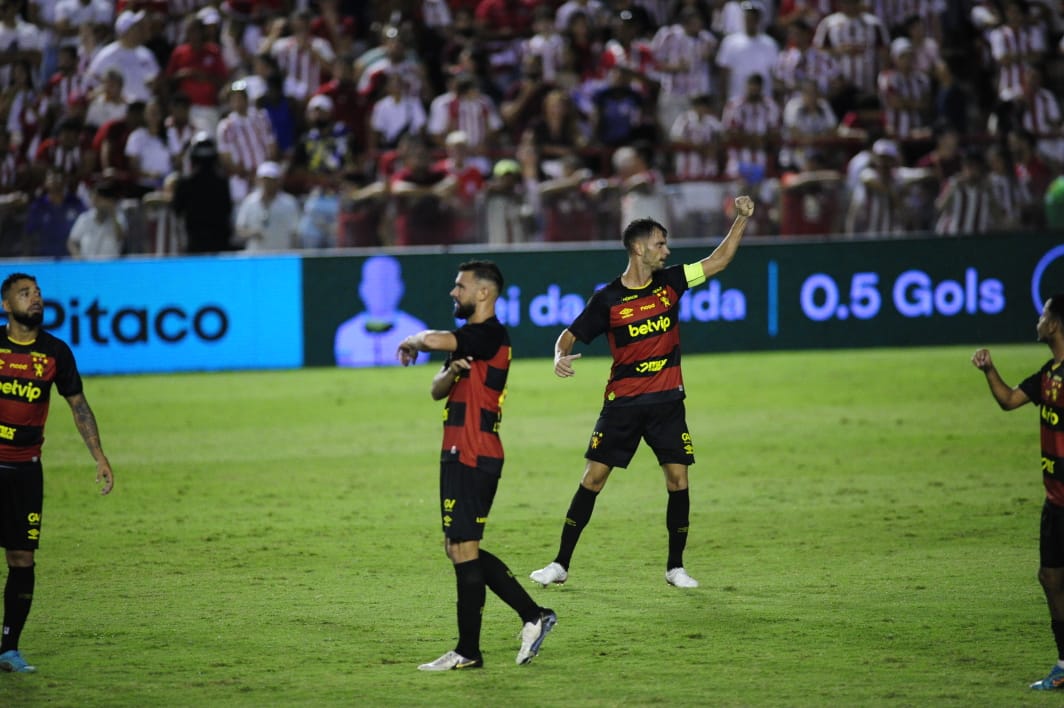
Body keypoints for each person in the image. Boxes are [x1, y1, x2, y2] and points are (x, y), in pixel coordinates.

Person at [530, 196, 755, 590]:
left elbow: (719, 261)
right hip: (623, 405)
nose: (666, 251)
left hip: (667, 403)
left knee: (678, 480)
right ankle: (560, 564)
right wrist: (557, 356)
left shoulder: (672, 283)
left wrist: (740, 219)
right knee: (593, 479)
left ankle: (675, 567)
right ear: (638, 248)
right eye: (660, 244)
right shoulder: (608, 300)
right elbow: (567, 336)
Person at [396, 260, 556, 671]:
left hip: (475, 454)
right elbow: (436, 390)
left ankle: (475, 647)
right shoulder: (469, 344)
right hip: (457, 452)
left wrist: (413, 339)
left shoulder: (487, 334)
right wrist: (450, 372)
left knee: (463, 547)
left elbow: (432, 339)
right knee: (459, 548)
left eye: (460, 286)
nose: (454, 293)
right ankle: (526, 619)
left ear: (483, 293)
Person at [0, 272, 115, 673]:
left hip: (27, 471)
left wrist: (99, 456)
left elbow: (78, 406)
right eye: (25, 293)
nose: (36, 299)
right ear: (6, 305)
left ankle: (8, 649)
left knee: (22, 558)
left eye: (38, 293)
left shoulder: (55, 352)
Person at [971, 294, 1064, 691]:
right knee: (1050, 578)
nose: (1038, 319)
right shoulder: (1049, 375)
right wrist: (990, 370)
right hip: (1056, 502)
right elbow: (1009, 400)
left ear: (1056, 324)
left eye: (1044, 314)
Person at [334, 255, 428, 367]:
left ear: (399, 287)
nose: (380, 290)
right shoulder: (346, 332)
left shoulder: (416, 329)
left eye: (387, 282)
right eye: (373, 283)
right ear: (363, 289)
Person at [233, 161, 300, 252]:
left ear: (278, 181)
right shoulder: (249, 201)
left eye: (271, 179)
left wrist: (294, 254)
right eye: (264, 179)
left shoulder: (289, 203)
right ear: (258, 180)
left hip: (281, 256)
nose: (267, 183)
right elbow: (240, 229)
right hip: (255, 257)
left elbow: (295, 232)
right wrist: (252, 233)